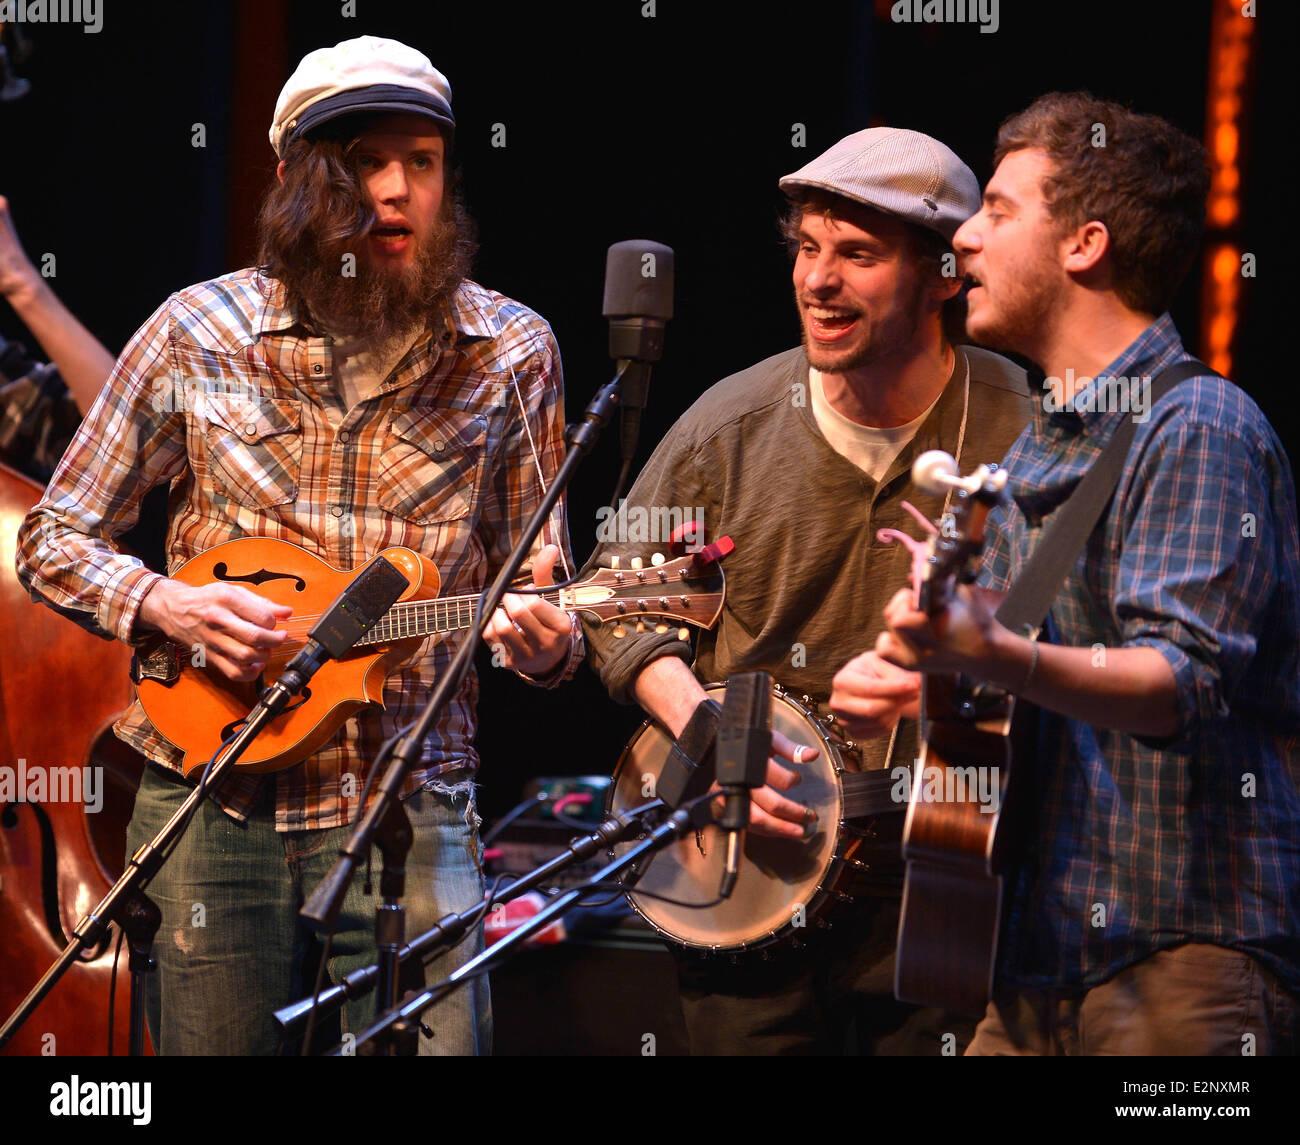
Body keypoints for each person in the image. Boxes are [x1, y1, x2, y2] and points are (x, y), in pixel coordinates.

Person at [15, 35, 583, 1056]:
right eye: (367, 161)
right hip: (211, 800)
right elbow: (53, 536)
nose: (399, 191)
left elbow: (545, 588)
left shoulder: (511, 353)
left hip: (410, 806)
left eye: (424, 161)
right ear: (295, 176)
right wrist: (166, 603)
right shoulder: (199, 331)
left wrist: (548, 642)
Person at [834, 92, 1300, 1055]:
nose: (964, 238)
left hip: (1177, 960)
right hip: (1025, 958)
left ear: (1084, 245)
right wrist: (925, 681)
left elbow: (1179, 684)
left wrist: (994, 650)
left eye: (1000, 210)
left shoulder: (1200, 426)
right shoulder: (1037, 452)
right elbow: (1024, 692)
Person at [583, 127, 1031, 1054]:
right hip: (750, 876)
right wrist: (701, 731)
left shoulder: (1023, 424)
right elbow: (611, 596)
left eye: (857, 255)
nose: (818, 281)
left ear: (947, 273)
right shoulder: (732, 424)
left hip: (946, 880)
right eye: (808, 249)